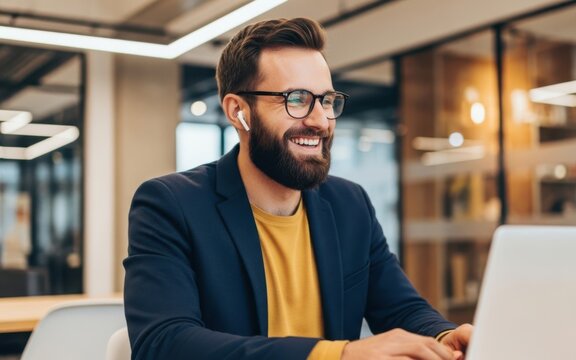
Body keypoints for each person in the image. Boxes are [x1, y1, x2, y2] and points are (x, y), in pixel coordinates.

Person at [124, 17, 472, 360]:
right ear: (238, 111)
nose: (320, 120)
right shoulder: (170, 204)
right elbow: (164, 344)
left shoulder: (349, 204)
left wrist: (445, 336)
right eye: (296, 99)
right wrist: (339, 355)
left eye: (326, 100)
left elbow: (400, 307)